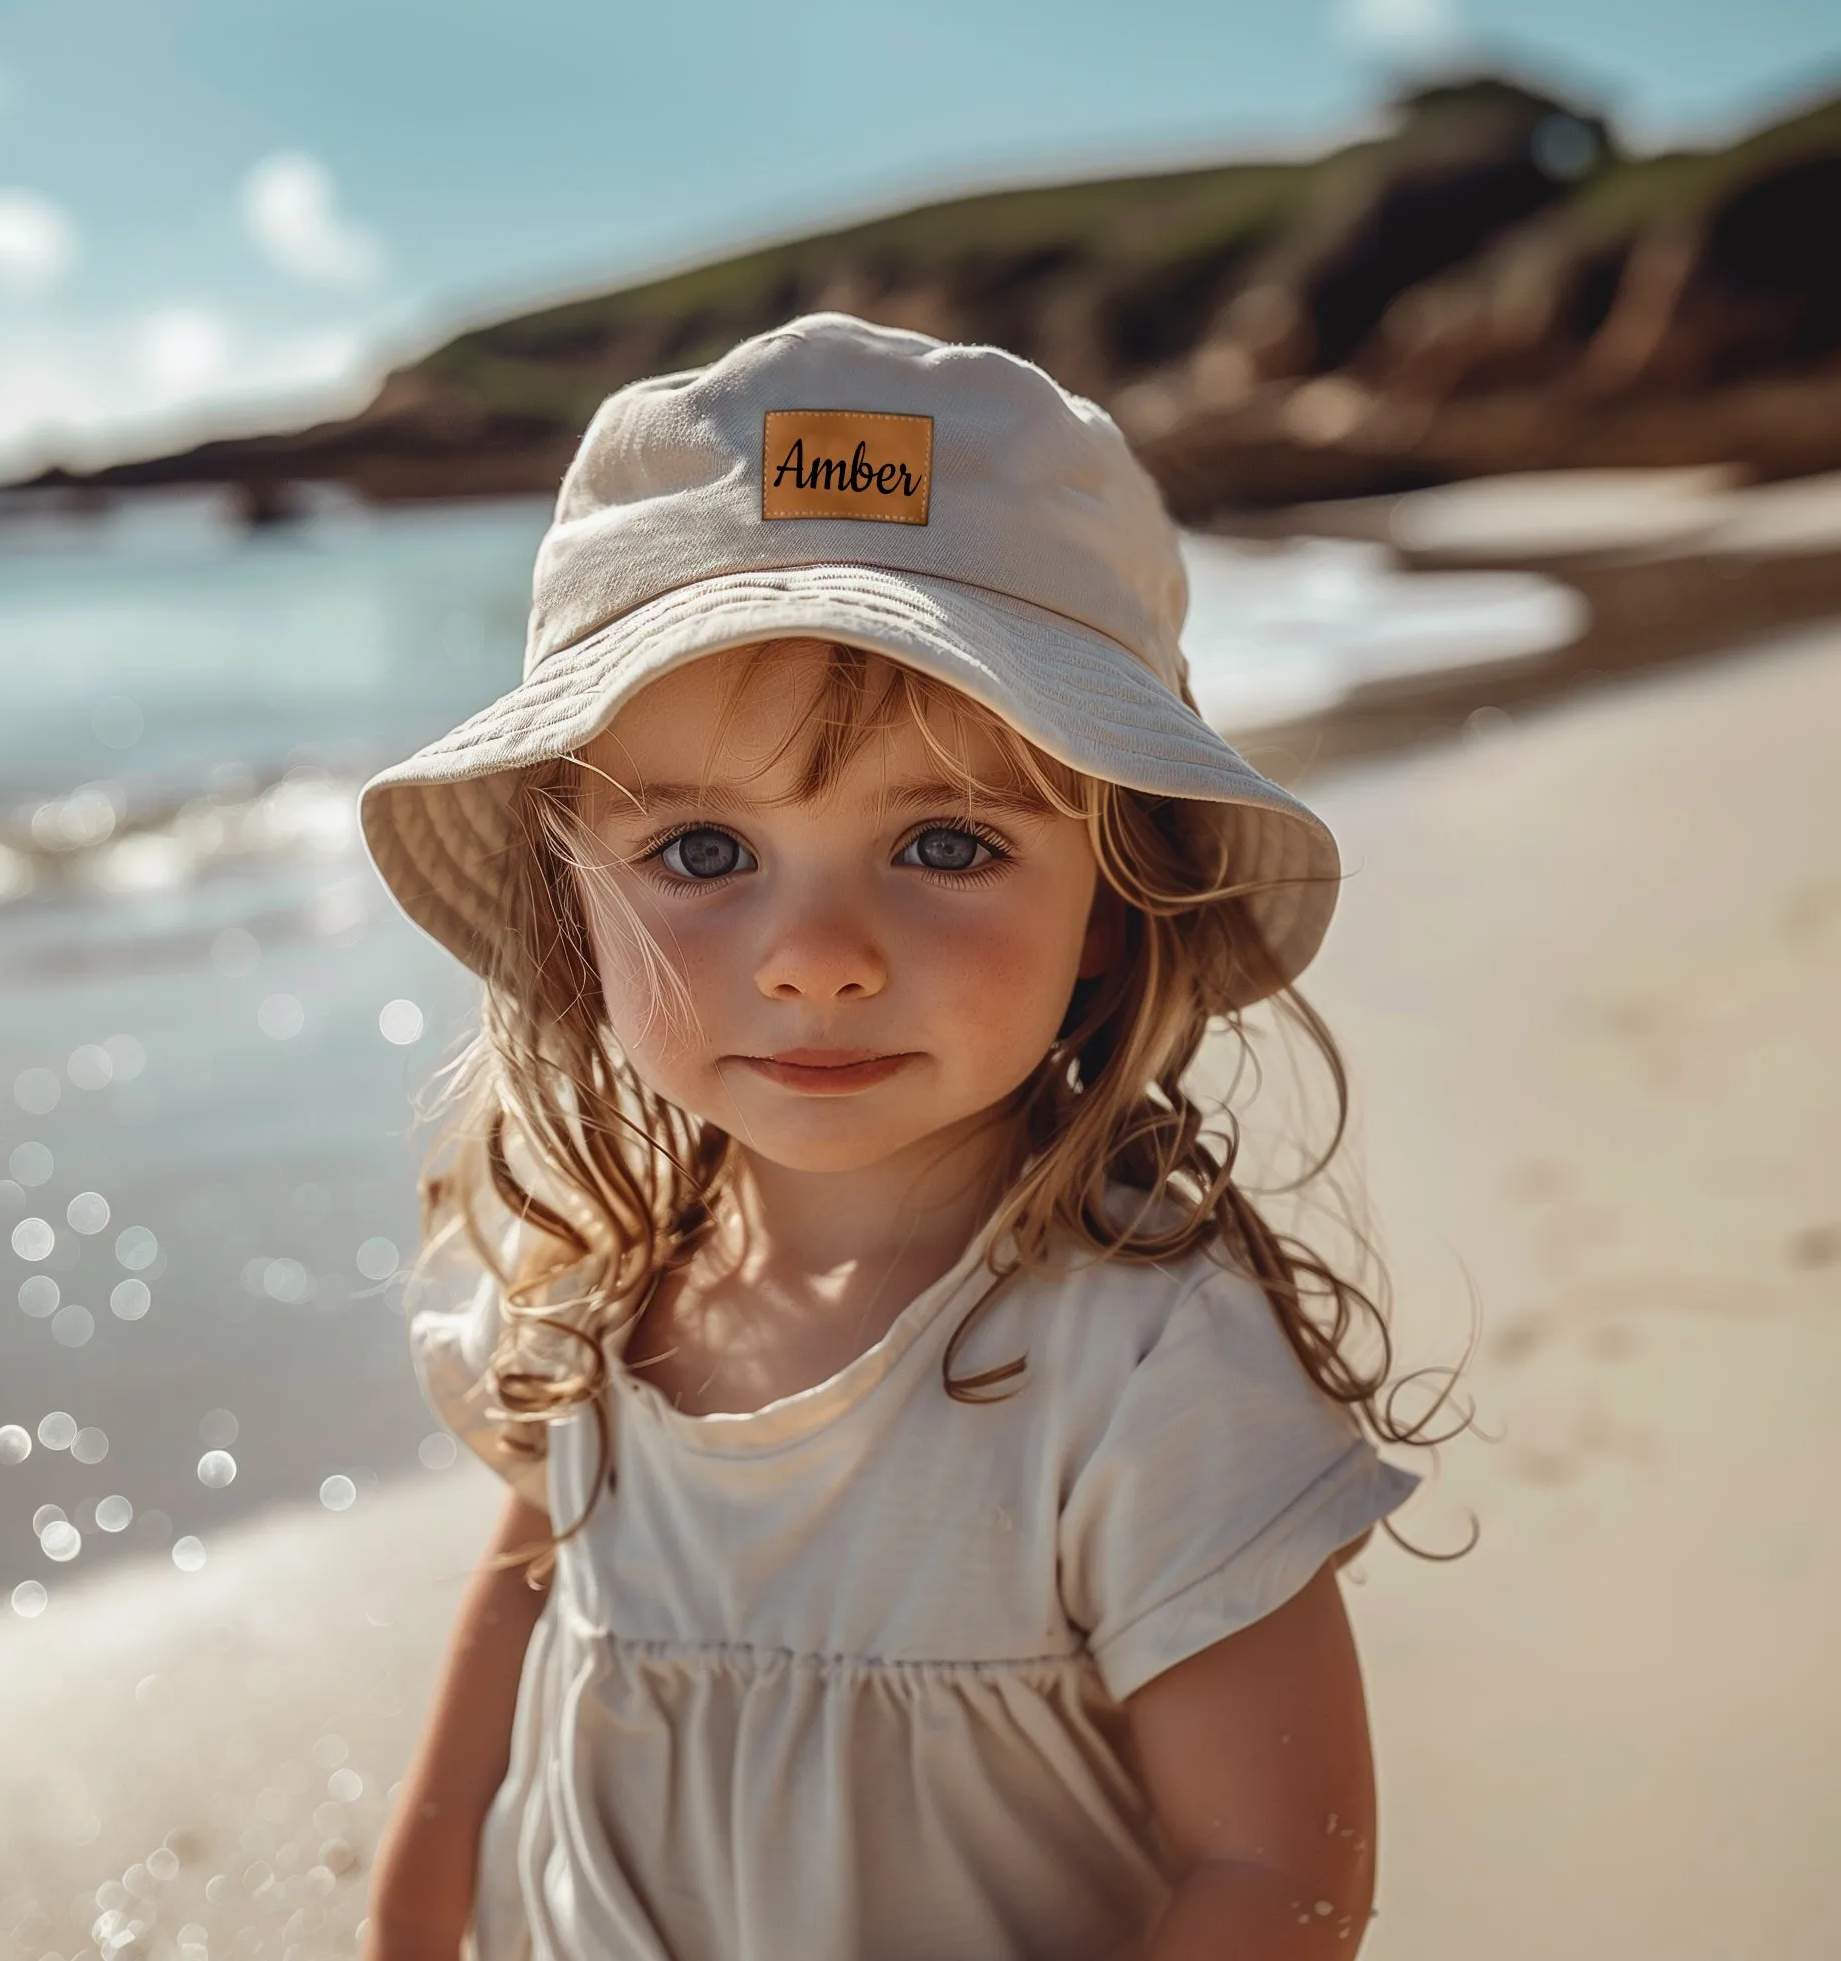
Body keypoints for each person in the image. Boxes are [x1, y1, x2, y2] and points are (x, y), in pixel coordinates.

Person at [354, 314, 1446, 1960]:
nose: (818, 954)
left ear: (1108, 899)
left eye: (945, 841)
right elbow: (478, 1738)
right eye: (706, 853)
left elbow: (1282, 1872)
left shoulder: (1143, 1370)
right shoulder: (583, 1288)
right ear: (573, 905)